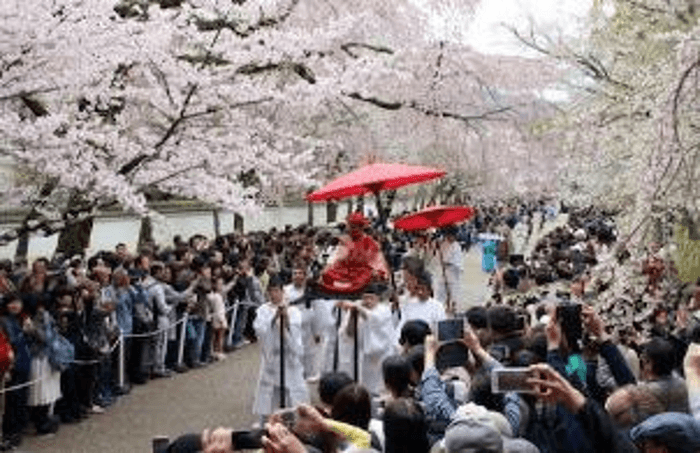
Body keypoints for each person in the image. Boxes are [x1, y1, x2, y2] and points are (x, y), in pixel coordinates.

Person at [252, 275, 308, 420]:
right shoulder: (263, 310)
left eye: (276, 291)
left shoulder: (293, 310)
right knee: (270, 390)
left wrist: (286, 319)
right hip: (272, 356)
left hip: (289, 356)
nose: (273, 294)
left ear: (282, 291)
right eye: (270, 291)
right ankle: (268, 420)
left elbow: (296, 332)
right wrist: (274, 319)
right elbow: (260, 330)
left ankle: (294, 419)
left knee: (293, 388)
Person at [336, 283, 396, 395]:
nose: (368, 301)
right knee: (365, 387)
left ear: (377, 298)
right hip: (363, 356)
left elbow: (373, 319)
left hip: (381, 355)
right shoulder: (358, 309)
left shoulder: (384, 310)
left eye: (371, 298)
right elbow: (348, 333)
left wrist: (358, 307)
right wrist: (353, 314)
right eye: (365, 297)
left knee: (381, 387)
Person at [320, 212, 389, 295]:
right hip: (344, 270)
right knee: (327, 274)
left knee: (366, 276)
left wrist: (377, 271)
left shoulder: (370, 242)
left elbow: (376, 260)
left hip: (361, 271)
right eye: (350, 226)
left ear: (361, 227)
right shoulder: (344, 240)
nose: (350, 229)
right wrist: (328, 267)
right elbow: (336, 258)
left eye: (353, 227)